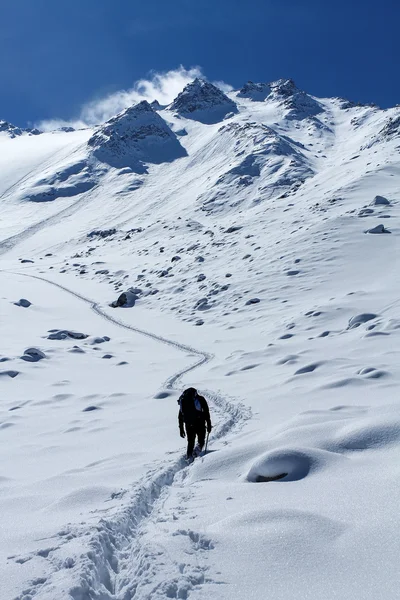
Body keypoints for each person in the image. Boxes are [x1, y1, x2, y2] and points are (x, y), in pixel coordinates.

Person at [178, 387, 212, 460]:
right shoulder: (200, 399)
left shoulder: (183, 401)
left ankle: (189, 457)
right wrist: (209, 424)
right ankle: (196, 455)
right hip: (200, 423)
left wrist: (181, 429)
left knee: (190, 442)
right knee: (201, 441)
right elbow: (206, 412)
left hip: (188, 424)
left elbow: (180, 416)